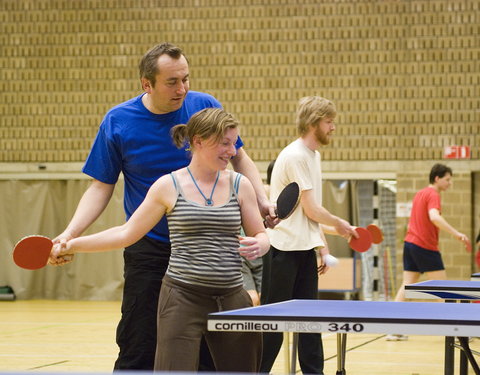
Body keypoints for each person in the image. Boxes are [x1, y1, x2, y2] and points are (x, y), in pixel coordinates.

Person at [49, 43, 276, 371]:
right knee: (139, 344)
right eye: (172, 82)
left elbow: (239, 157)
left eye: (186, 78)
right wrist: (70, 235)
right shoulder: (119, 122)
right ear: (147, 84)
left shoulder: (204, 107)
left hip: (209, 253)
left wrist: (262, 200)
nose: (182, 88)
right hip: (151, 249)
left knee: (216, 358)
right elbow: (101, 188)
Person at [259, 96, 358, 375]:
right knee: (272, 323)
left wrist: (318, 247)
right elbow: (313, 209)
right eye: (329, 122)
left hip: (302, 250)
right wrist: (339, 224)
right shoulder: (295, 156)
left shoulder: (314, 155)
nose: (333, 127)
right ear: (315, 123)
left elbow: (306, 215)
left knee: (310, 322)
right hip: (281, 250)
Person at [387, 163, 471, 341]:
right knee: (444, 289)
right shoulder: (433, 194)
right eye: (447, 180)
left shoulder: (420, 193)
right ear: (437, 178)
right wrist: (457, 234)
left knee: (407, 286)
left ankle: (393, 328)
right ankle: (455, 331)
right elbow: (434, 217)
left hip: (410, 244)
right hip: (425, 247)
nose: (450, 183)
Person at [240, 159, 276, 306]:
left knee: (265, 301)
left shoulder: (268, 195)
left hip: (261, 255)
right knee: (252, 299)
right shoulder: (241, 189)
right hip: (243, 255)